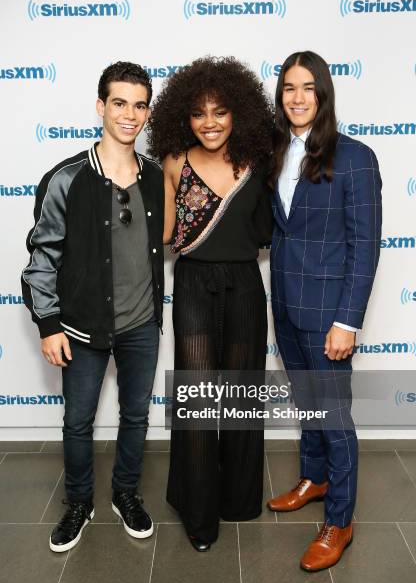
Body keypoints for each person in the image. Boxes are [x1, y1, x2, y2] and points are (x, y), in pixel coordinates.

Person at [21, 61, 164, 552]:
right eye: (119, 102)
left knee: (136, 416)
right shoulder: (65, 178)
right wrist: (48, 324)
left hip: (142, 324)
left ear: (147, 112)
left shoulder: (156, 177)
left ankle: (126, 493)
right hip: (80, 325)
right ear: (101, 107)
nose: (130, 114)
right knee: (78, 420)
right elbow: (41, 260)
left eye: (139, 104)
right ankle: (79, 503)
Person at [147, 56, 274, 551]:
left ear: (237, 113)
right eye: (199, 114)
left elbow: (266, 230)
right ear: (185, 117)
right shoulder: (174, 160)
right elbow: (162, 235)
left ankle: (239, 501)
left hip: (245, 284)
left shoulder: (256, 162)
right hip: (195, 284)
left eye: (220, 112)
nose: (210, 123)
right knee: (198, 398)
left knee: (242, 398)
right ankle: (199, 512)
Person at [267, 51, 382, 570]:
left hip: (329, 311)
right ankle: (314, 480)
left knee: (335, 418)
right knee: (308, 406)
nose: (297, 97)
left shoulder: (355, 157)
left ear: (324, 93)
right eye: (289, 88)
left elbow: (365, 245)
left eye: (307, 87)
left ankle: (340, 519)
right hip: (286, 305)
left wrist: (347, 320)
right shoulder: (273, 151)